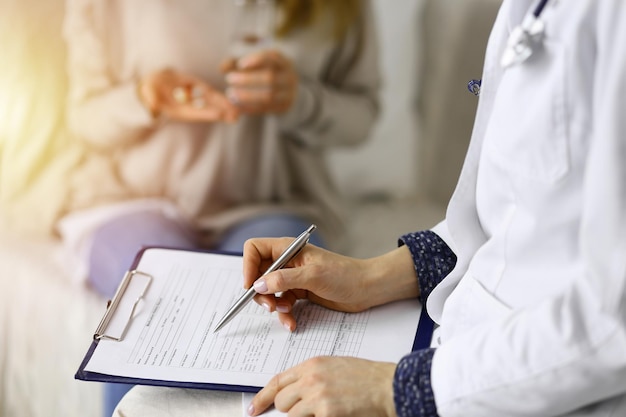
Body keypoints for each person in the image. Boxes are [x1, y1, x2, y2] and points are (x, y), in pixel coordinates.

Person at [238, 0, 626, 416]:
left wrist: (399, 389)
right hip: (464, 357)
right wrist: (371, 277)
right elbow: (504, 214)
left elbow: (614, 323)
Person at [60, 0, 379, 415]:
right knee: (150, 312)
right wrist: (143, 99)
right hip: (132, 199)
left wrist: (299, 100)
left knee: (288, 310)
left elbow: (362, 117)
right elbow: (81, 120)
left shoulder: (342, 8)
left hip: (271, 200)